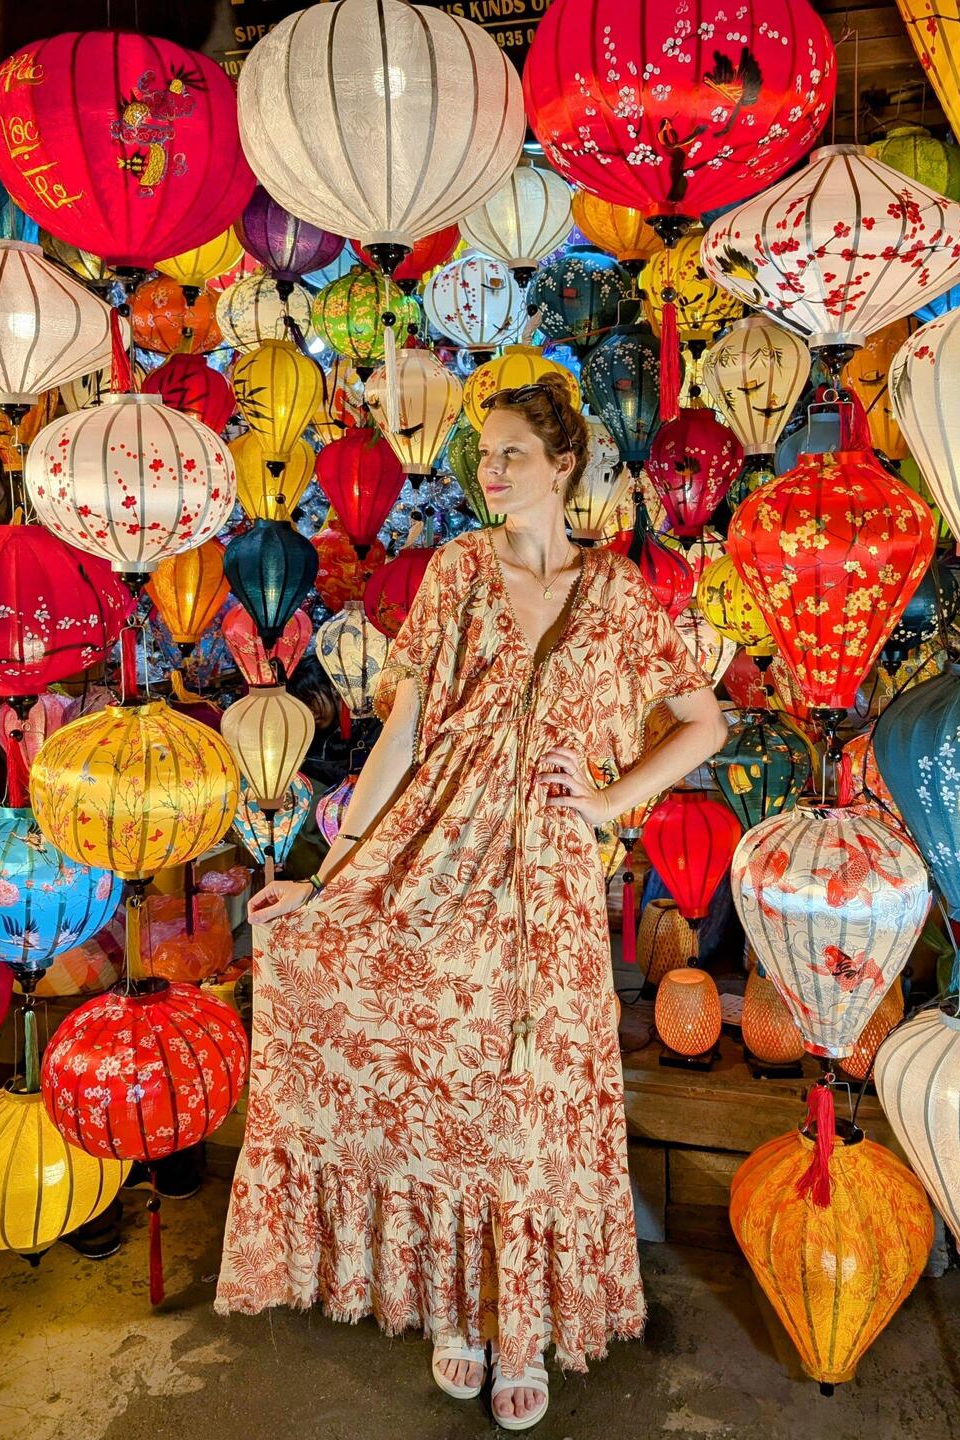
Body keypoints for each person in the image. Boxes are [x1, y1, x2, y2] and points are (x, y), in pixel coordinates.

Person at [215, 374, 728, 1430]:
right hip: (434, 856)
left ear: (564, 467)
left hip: (546, 873)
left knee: (530, 1094)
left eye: (511, 457)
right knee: (451, 1082)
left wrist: (610, 801)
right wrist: (329, 874)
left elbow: (702, 724)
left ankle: (524, 1327)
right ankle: (459, 1304)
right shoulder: (455, 570)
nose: (490, 474)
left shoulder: (623, 594)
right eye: (484, 457)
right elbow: (402, 735)